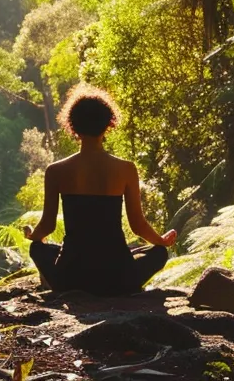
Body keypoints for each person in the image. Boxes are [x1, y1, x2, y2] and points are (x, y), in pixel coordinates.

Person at [25, 84, 178, 296]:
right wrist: (161, 241)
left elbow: (47, 226)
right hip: (119, 278)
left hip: (70, 278)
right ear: (109, 124)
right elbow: (138, 226)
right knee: (159, 253)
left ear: (72, 125)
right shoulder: (126, 169)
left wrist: (32, 235)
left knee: (38, 249)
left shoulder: (56, 171)